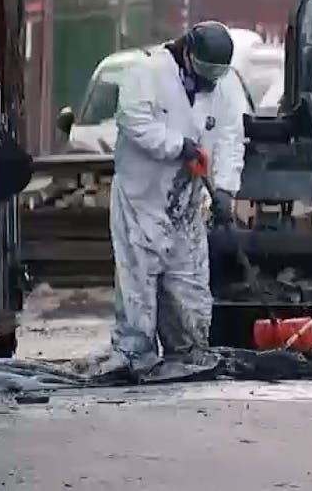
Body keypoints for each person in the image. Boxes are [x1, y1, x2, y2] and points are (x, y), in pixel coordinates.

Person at [106, 20, 247, 378]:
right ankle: (134, 354)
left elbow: (231, 137)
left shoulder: (224, 87)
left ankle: (189, 349)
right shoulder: (146, 72)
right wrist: (177, 146)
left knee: (189, 280)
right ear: (188, 53)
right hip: (142, 199)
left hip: (185, 202)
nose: (209, 82)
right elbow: (132, 121)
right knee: (138, 280)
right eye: (204, 72)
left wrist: (227, 188)